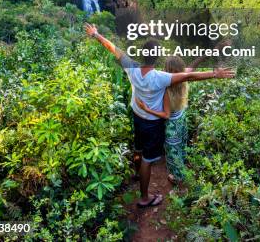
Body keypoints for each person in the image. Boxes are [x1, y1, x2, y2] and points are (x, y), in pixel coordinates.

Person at [84, 23, 235, 208]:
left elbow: (112, 48)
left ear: (141, 54)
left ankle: (137, 172)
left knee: (138, 148)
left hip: (137, 116)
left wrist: (96, 34)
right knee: (148, 159)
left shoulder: (131, 67)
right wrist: (214, 74)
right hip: (152, 124)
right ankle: (145, 197)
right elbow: (189, 75)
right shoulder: (161, 77)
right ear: (156, 59)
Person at [136, 55, 189, 184]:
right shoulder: (183, 79)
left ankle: (178, 178)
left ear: (167, 70)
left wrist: (147, 109)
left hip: (171, 124)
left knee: (173, 151)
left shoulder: (165, 87)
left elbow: (166, 115)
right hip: (181, 118)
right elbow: (193, 67)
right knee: (181, 146)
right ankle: (183, 168)